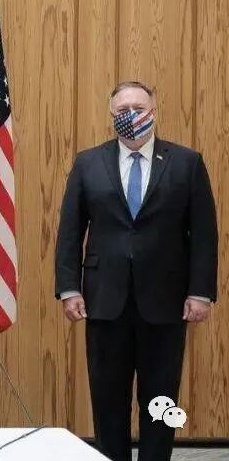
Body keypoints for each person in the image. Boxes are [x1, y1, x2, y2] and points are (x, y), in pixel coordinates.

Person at [55, 81, 217, 461]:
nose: (131, 115)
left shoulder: (186, 162)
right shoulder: (88, 163)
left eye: (139, 108)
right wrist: (69, 287)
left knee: (160, 399)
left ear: (154, 111)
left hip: (165, 302)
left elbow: (204, 234)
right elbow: (70, 230)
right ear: (111, 116)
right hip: (104, 301)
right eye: (123, 110)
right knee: (107, 398)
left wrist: (200, 291)